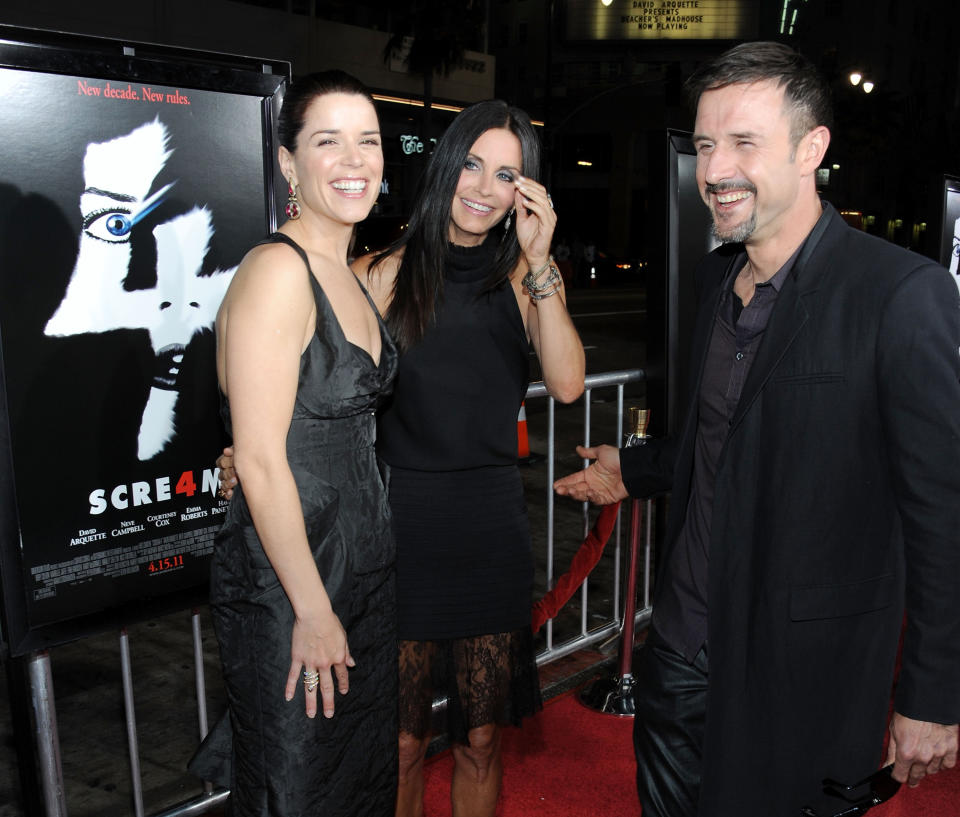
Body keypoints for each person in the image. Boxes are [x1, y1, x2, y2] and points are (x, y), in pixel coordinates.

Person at [554, 41, 960, 817]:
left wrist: (934, 694)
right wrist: (630, 467)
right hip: (678, 647)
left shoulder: (899, 294)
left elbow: (942, 515)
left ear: (812, 148)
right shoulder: (713, 279)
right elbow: (718, 441)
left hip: (801, 673)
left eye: (744, 143)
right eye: (707, 144)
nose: (714, 169)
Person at [221, 98, 584, 816]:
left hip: (489, 530)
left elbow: (569, 383)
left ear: (525, 191)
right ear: (445, 164)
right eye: (471, 164)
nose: (483, 187)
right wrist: (251, 453)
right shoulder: (380, 272)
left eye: (506, 174)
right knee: (402, 744)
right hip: (399, 529)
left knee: (482, 739)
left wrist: (541, 263)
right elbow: (310, 377)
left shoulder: (526, 277)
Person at [199, 71, 399, 815]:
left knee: (359, 780)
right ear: (289, 163)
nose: (354, 160)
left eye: (368, 141)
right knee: (300, 784)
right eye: (328, 141)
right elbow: (256, 457)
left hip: (363, 571)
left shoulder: (346, 272)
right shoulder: (276, 271)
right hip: (295, 582)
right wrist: (312, 609)